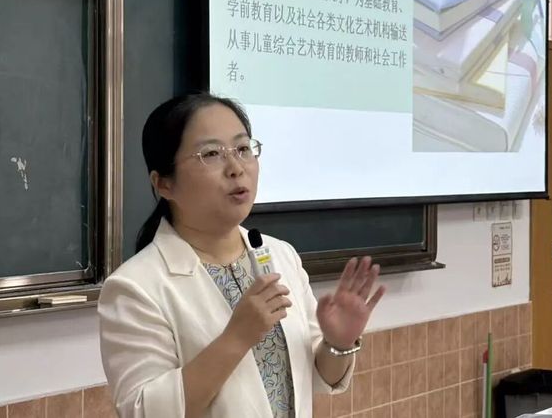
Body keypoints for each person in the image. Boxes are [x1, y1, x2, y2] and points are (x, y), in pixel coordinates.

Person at [98, 93, 386, 418]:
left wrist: (338, 344)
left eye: (243, 149)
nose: (236, 168)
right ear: (164, 184)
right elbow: (144, 411)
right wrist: (237, 337)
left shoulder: (280, 255)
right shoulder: (135, 287)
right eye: (211, 154)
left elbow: (320, 378)